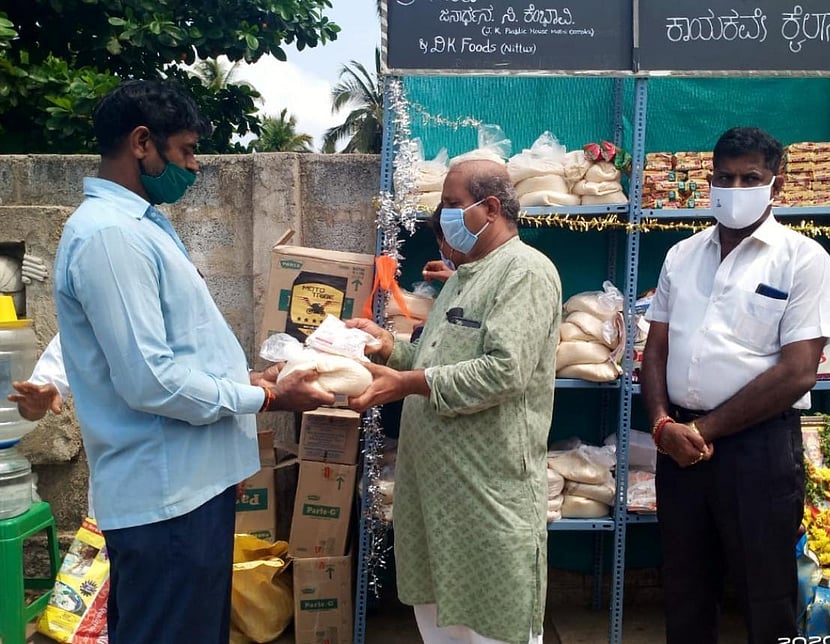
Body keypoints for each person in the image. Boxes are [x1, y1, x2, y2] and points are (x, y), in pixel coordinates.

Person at [52, 80, 333, 644]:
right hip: (165, 498)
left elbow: (176, 353)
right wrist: (268, 397)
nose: (195, 166)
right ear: (141, 143)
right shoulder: (111, 237)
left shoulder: (142, 227)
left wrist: (247, 380)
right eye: (184, 150)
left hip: (189, 489)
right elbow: (151, 381)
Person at [346, 159, 562, 644]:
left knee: (496, 627)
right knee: (442, 624)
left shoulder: (525, 272)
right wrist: (387, 346)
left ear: (489, 208)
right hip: (438, 498)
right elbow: (432, 358)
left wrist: (407, 383)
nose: (440, 216)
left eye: (450, 204)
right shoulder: (465, 276)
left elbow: (505, 372)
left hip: (486, 496)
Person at [641, 126, 830, 644]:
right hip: (678, 445)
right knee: (685, 589)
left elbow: (799, 371)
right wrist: (663, 424)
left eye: (750, 178)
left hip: (758, 449)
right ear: (710, 181)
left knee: (765, 594)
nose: (735, 188)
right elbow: (655, 348)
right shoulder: (681, 257)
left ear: (776, 186)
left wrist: (702, 431)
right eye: (725, 177)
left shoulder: (803, 259)